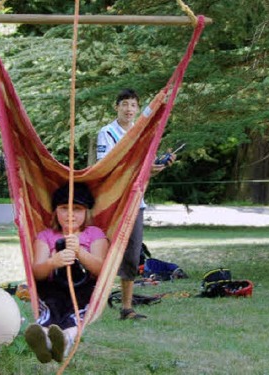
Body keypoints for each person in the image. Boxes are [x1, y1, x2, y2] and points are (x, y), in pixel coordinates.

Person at [96, 88, 176, 320]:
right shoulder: (107, 133)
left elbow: (145, 173)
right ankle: (88, 303)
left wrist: (158, 167)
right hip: (112, 202)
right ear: (116, 107)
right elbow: (106, 167)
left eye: (133, 105)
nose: (129, 109)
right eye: (125, 105)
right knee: (102, 253)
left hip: (135, 202)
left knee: (132, 255)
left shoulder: (142, 133)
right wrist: (141, 168)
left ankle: (127, 308)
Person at [24, 182, 109, 363]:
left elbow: (102, 270)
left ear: (86, 211)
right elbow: (37, 273)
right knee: (49, 312)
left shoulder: (95, 234)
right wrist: (52, 262)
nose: (70, 214)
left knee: (75, 315)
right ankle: (44, 340)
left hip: (85, 289)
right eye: (64, 208)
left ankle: (66, 339)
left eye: (77, 209)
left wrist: (80, 252)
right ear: (55, 211)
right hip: (53, 287)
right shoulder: (45, 236)